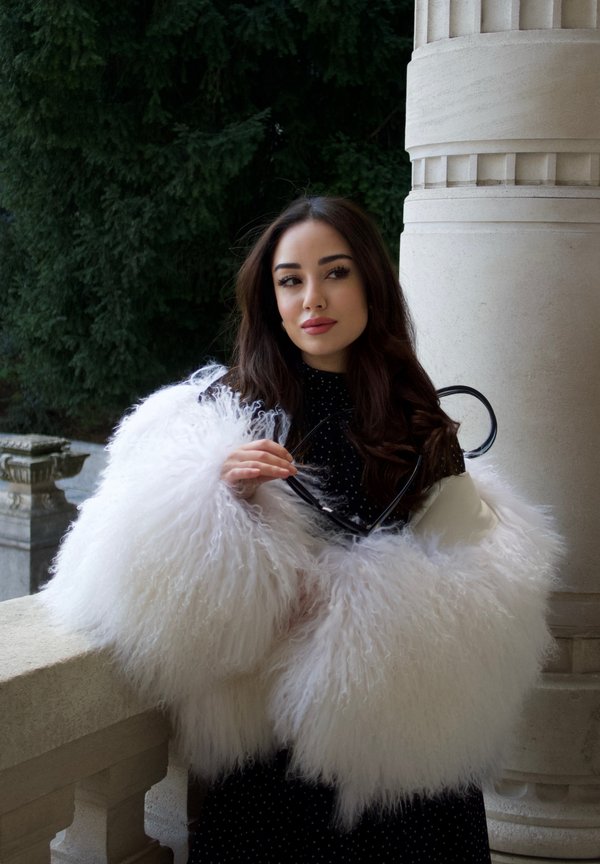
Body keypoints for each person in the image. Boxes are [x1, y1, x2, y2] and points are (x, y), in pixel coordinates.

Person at [42, 196, 561, 863]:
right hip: (271, 763)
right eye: (291, 280)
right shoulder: (221, 414)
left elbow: (479, 597)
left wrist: (365, 609)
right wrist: (214, 497)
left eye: (335, 273)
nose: (313, 297)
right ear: (271, 299)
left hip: (398, 761)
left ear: (372, 282)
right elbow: (124, 582)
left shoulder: (419, 422)